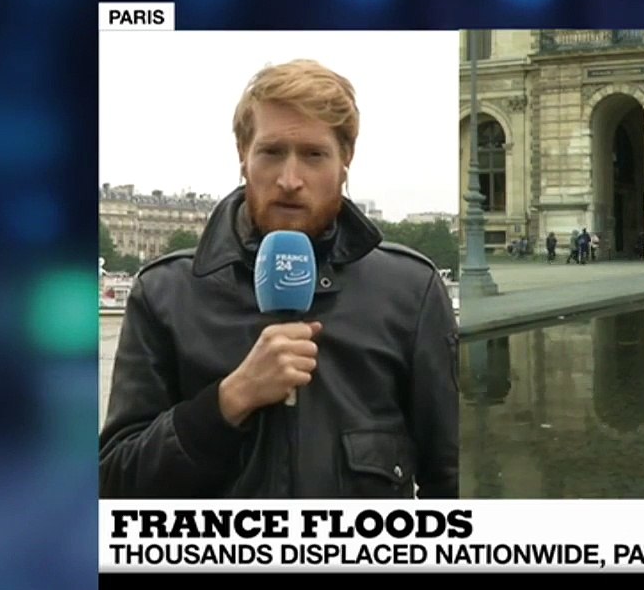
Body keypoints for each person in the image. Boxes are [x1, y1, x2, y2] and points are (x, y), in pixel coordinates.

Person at [99, 59, 459, 498]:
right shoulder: (164, 293)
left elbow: (451, 478)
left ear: (345, 161)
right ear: (243, 156)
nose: (290, 180)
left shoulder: (411, 292)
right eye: (271, 152)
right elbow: (114, 483)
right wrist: (227, 401)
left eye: (313, 155)